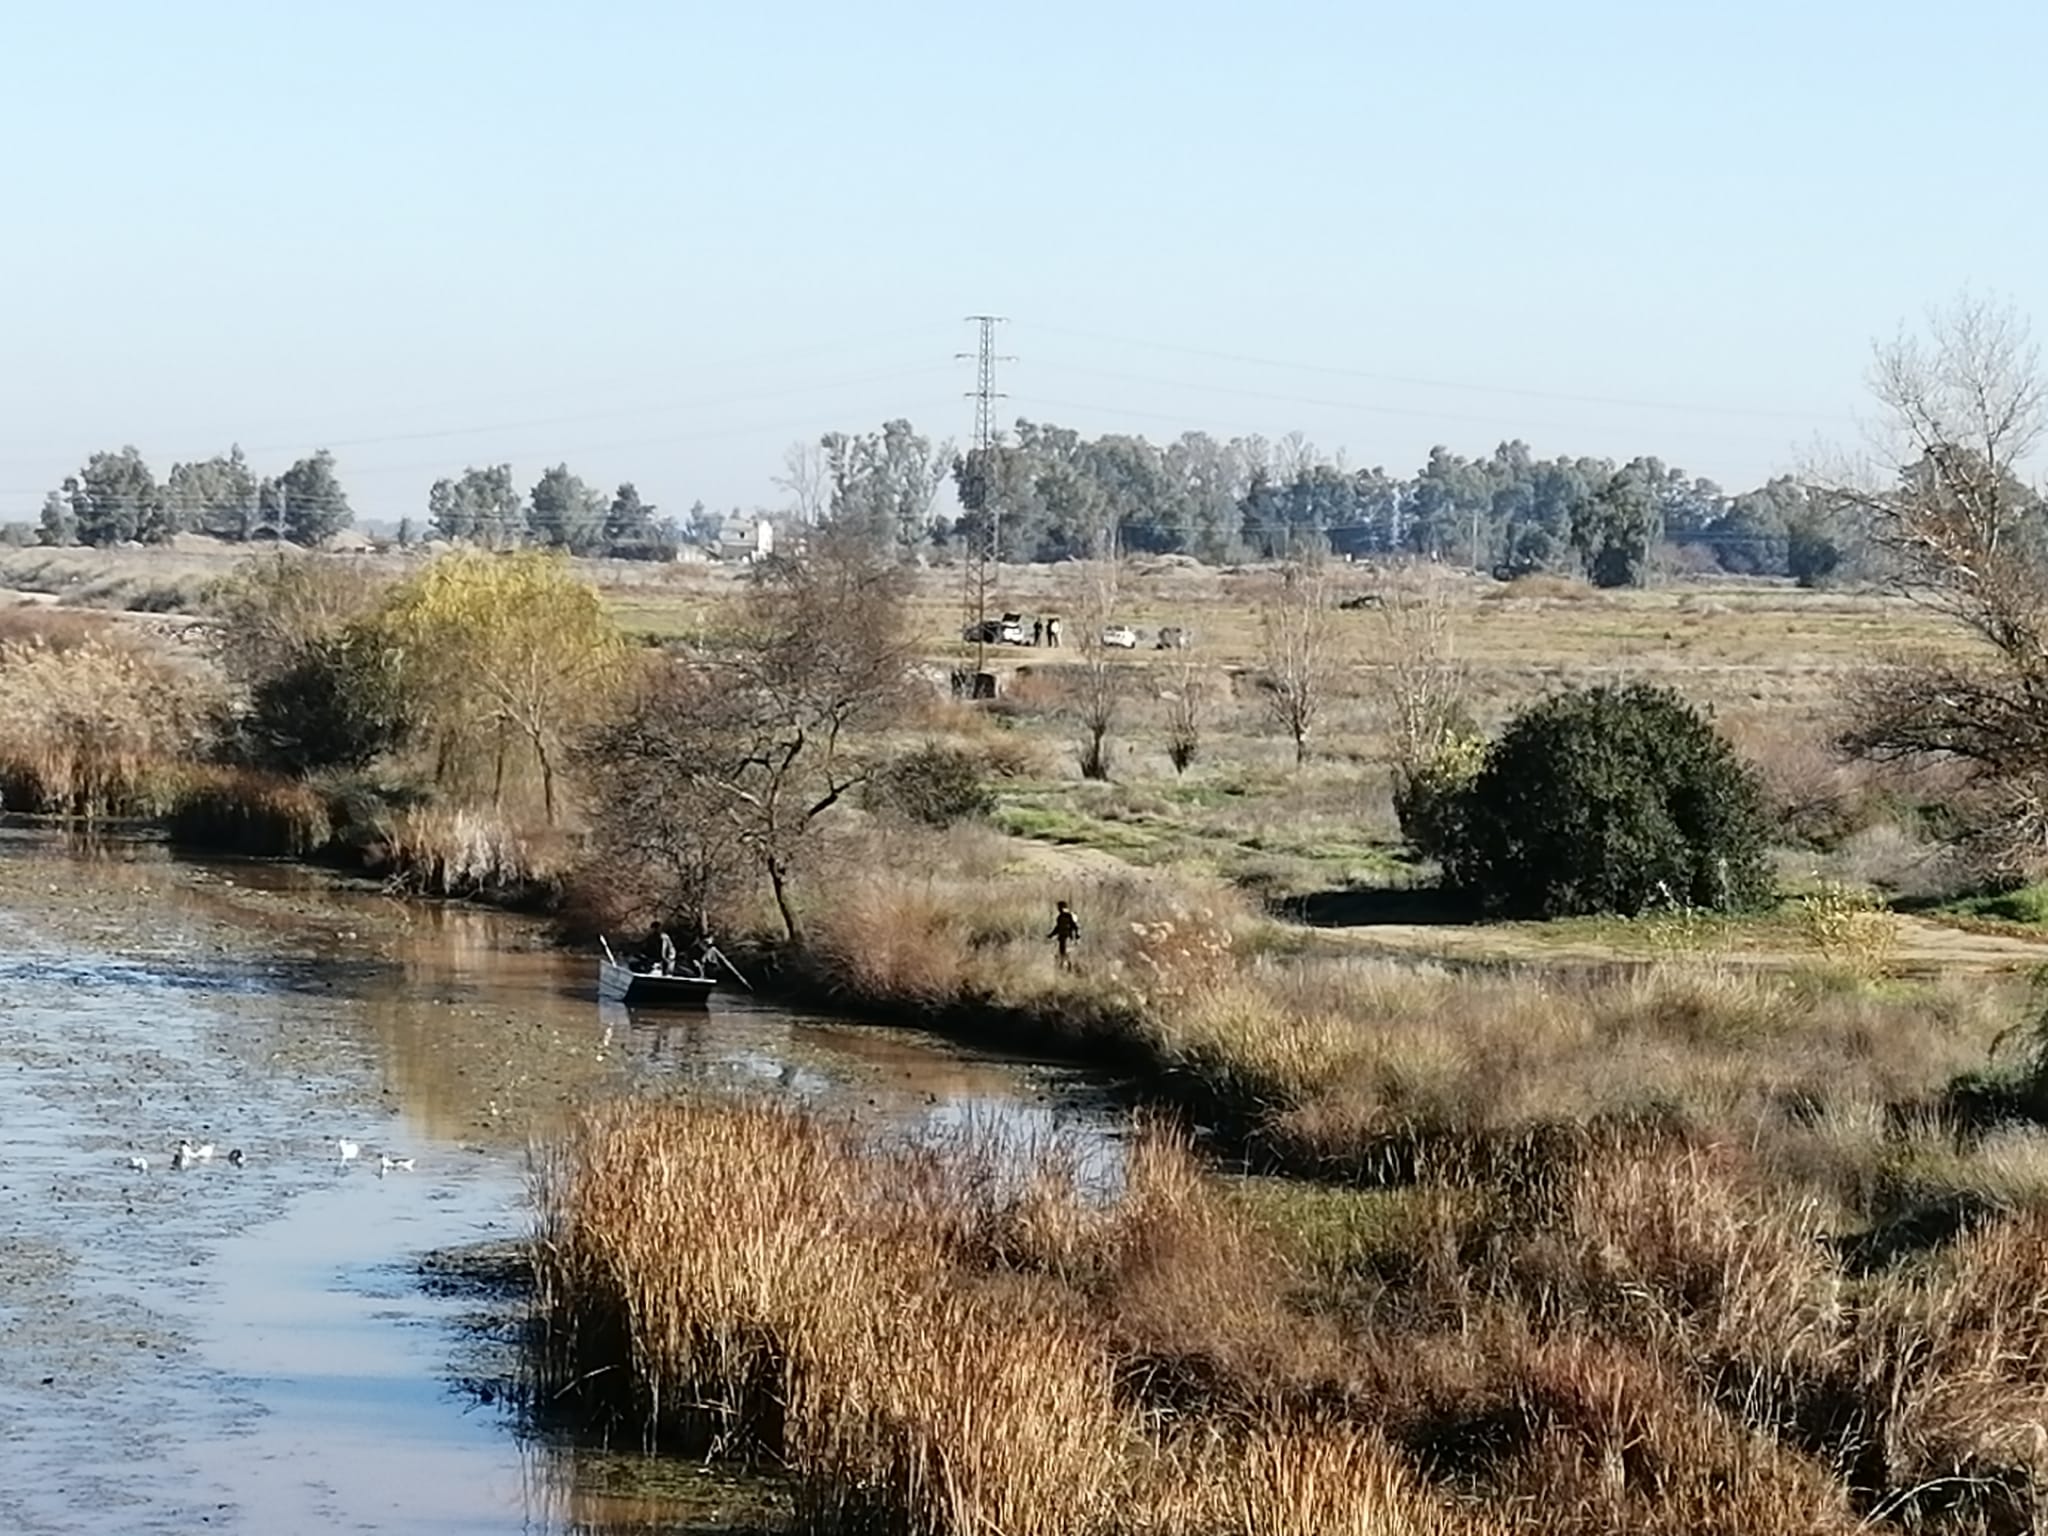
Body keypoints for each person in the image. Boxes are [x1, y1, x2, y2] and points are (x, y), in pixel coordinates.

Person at [1048, 900, 1080, 969]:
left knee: (1066, 954)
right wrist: (1051, 935)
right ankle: (1062, 968)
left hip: (1068, 938)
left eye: (1058, 907)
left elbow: (1076, 927)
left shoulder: (1070, 916)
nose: (1058, 909)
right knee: (1062, 953)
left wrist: (1077, 938)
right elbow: (1058, 927)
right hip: (1062, 938)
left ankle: (1069, 968)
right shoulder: (1060, 917)